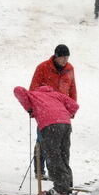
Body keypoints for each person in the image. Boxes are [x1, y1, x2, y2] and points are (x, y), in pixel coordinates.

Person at [14, 84, 79, 195]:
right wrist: (64, 114)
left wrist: (29, 108)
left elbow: (18, 90)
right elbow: (74, 105)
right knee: (64, 155)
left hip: (50, 125)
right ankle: (67, 186)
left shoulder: (33, 94)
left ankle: (60, 189)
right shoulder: (56, 95)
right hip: (65, 123)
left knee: (53, 156)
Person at [31, 45, 77, 180]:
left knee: (61, 145)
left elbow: (72, 89)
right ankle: (39, 170)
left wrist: (71, 108)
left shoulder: (70, 69)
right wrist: (34, 108)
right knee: (42, 140)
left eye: (67, 57)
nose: (65, 60)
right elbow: (33, 88)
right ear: (56, 56)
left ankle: (57, 173)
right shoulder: (43, 67)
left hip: (61, 112)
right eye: (63, 57)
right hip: (45, 111)